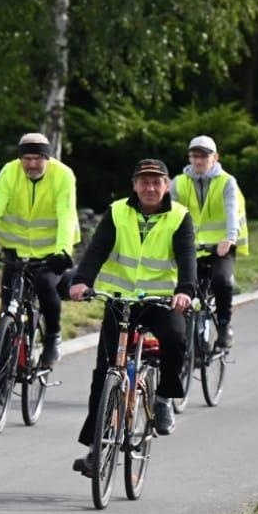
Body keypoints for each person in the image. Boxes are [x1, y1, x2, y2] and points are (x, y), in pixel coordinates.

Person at [66, 159, 195, 474]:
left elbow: (186, 255)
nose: (150, 188)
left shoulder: (179, 216)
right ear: (134, 185)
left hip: (160, 302)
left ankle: (164, 398)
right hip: (120, 302)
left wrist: (186, 290)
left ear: (166, 185)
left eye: (157, 182)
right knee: (104, 375)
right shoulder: (117, 212)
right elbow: (97, 249)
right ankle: (97, 448)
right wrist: (82, 281)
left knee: (176, 338)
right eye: (144, 182)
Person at [0, 132, 77, 368]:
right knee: (7, 310)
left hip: (50, 252)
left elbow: (66, 215)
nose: (32, 164)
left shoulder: (63, 176)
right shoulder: (9, 172)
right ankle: (0, 379)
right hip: (14, 251)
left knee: (45, 285)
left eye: (38, 159)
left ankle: (53, 338)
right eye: (26, 158)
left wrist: (63, 251)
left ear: (47, 158)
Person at [171, 135, 247, 349]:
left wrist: (230, 238)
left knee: (222, 281)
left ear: (215, 158)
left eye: (203, 156)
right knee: (183, 286)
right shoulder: (179, 182)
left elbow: (232, 211)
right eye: (194, 156)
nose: (198, 161)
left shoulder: (226, 182)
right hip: (191, 248)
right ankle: (187, 333)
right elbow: (169, 214)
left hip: (221, 247)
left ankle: (224, 326)